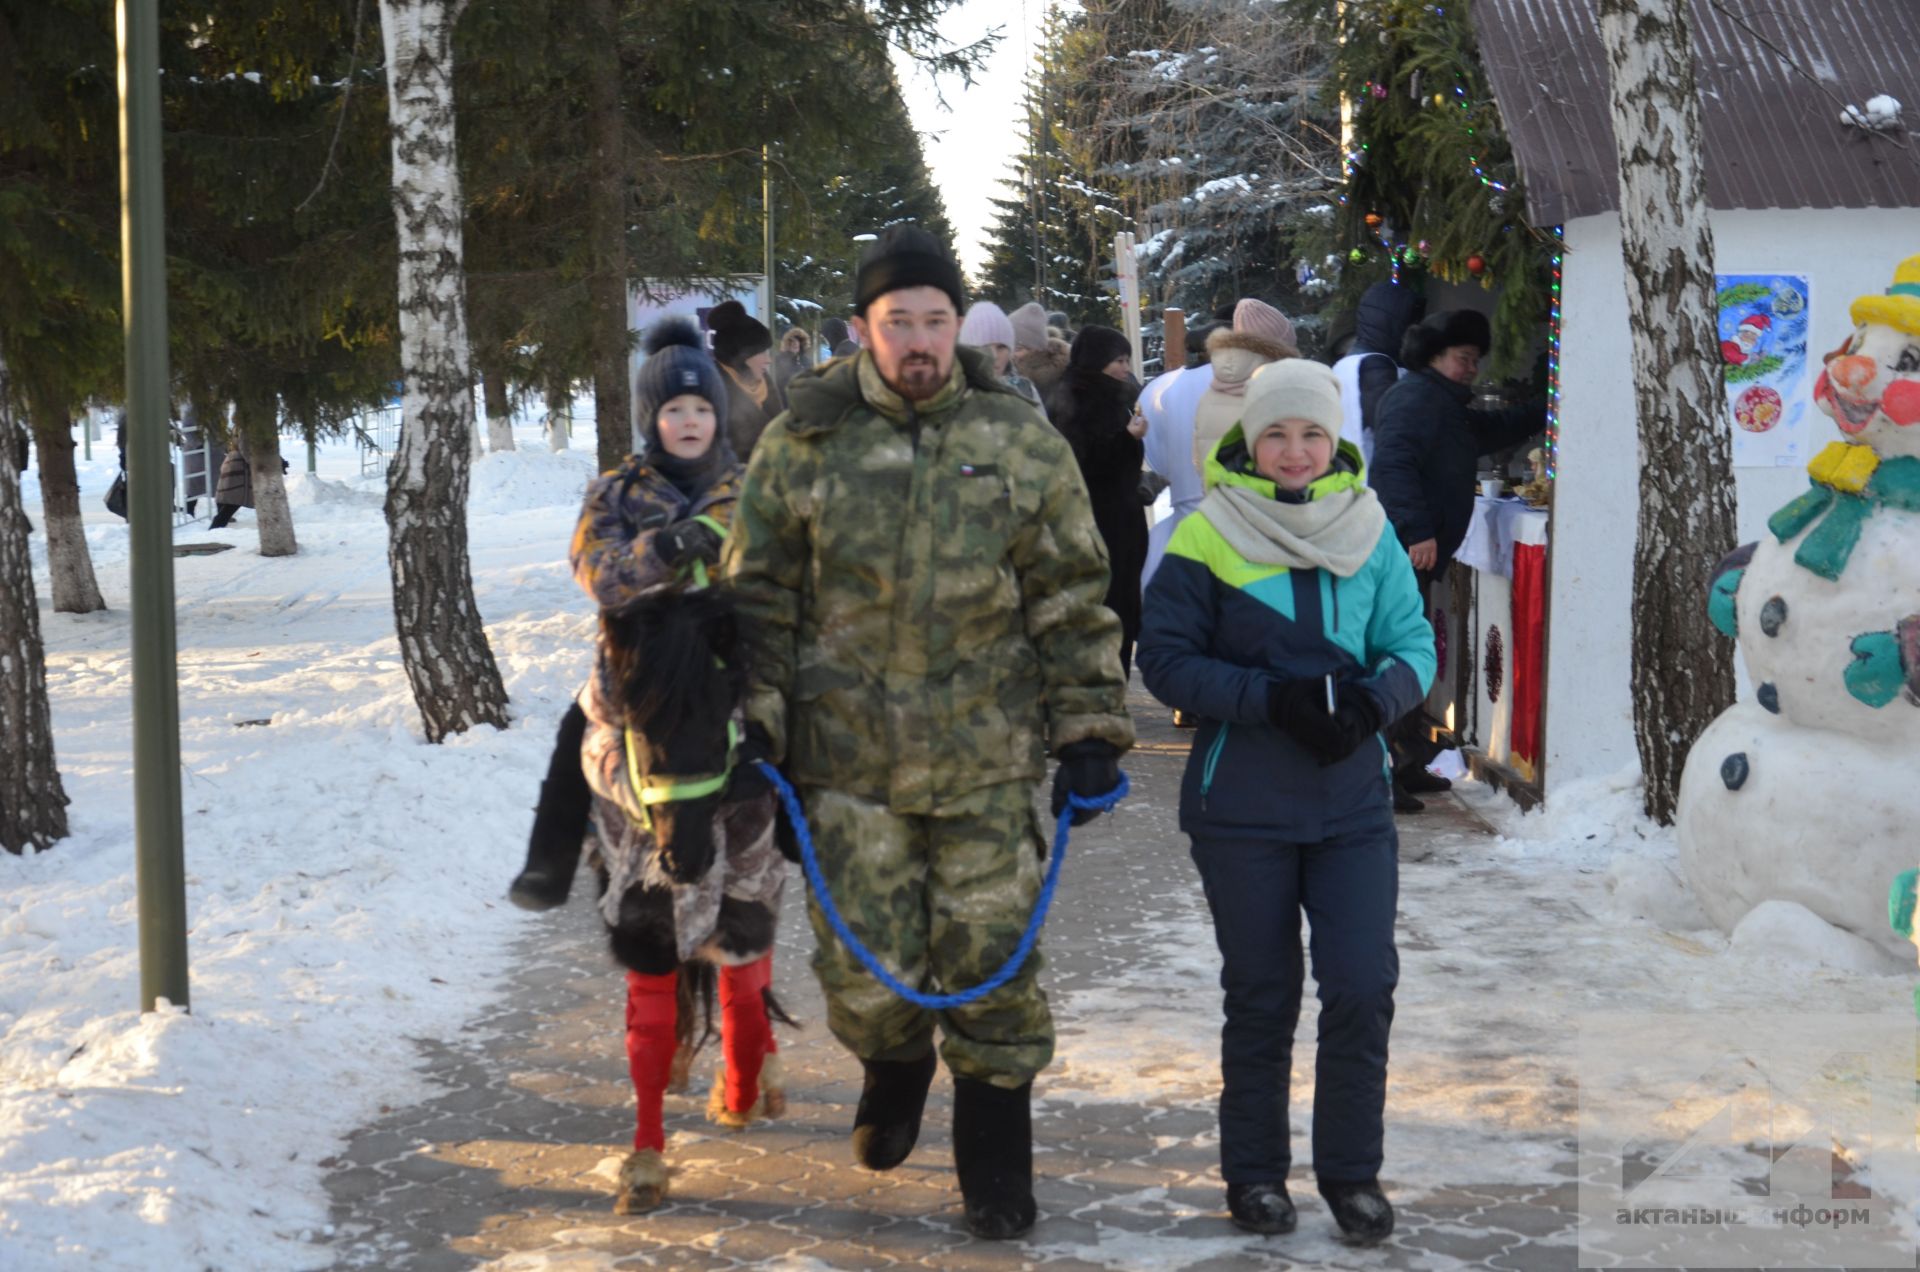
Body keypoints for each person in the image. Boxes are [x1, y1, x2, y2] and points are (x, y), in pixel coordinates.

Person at [723, 224, 1133, 1240]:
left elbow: (1072, 591)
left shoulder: (1018, 438)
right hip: (844, 766)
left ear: (959, 328)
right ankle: (894, 1068)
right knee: (865, 971)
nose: (917, 340)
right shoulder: (802, 442)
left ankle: (995, 1161)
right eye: (896, 321)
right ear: (863, 329)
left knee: (992, 958)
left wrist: (1087, 726)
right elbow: (756, 600)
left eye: (934, 321)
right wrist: (753, 734)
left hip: (987, 761)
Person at [1137, 358, 1435, 1247]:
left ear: (1337, 439)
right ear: (1249, 440)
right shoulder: (1205, 534)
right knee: (1264, 993)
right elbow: (1166, 660)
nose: (1296, 451)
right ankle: (1256, 1175)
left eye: (1313, 434)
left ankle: (1352, 1174)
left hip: (1350, 806)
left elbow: (1413, 641)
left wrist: (1374, 705)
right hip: (1244, 807)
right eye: (1278, 433)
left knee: (1361, 985)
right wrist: (1272, 700)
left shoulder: (1371, 527)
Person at [509, 318, 788, 1215]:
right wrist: (665, 552)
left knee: (791, 766)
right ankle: (549, 863)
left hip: (733, 688)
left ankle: (815, 868)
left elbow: (776, 576)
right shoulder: (617, 493)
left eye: (702, 405)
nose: (691, 420)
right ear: (650, 419)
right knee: (571, 737)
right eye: (673, 408)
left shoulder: (746, 488)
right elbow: (599, 577)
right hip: (635, 691)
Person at [1369, 310, 1544, 810]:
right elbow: (1394, 463)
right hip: (1405, 551)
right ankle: (1382, 772)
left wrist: (1543, 406)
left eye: (1474, 360)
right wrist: (1417, 529)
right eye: (1463, 359)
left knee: (1412, 655)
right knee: (1399, 658)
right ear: (1435, 356)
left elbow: (1486, 431)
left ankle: (1407, 758)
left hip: (1418, 551)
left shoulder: (1442, 402)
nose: (1471, 368)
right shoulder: (1417, 399)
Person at [1046, 325, 1149, 677]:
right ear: (1097, 360)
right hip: (1095, 522)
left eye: (1126, 359)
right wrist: (1126, 439)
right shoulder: (1075, 396)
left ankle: (1114, 682)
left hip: (1121, 519)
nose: (1124, 367)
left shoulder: (1113, 396)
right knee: (1104, 607)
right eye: (1117, 360)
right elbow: (1081, 461)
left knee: (1122, 606)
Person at [1191, 299, 1297, 474]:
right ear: (1281, 350)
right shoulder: (1281, 396)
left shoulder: (1209, 398)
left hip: (1219, 498)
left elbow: (1198, 460)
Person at [1330, 281, 1423, 466]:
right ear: (1400, 324)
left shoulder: (1345, 364)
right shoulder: (1376, 368)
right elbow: (1395, 430)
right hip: (1371, 482)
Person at [707, 299, 779, 458]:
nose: (769, 360)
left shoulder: (764, 382)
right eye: (762, 353)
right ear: (742, 357)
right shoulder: (712, 387)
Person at [959, 300, 1046, 415]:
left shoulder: (1025, 390)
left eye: (1001, 347)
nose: (994, 356)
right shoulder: (946, 395)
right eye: (984, 346)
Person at [1009, 301, 1070, 402]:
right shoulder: (1010, 374)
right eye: (1009, 347)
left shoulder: (1058, 382)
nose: (1012, 354)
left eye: (1018, 349)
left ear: (1036, 349)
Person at [209, 436, 252, 528]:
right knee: (233, 499)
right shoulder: (246, 427)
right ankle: (215, 529)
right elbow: (246, 449)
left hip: (234, 461)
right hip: (239, 466)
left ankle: (217, 528)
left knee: (227, 498)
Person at [771, 327, 813, 398]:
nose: (795, 343)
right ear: (787, 342)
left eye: (798, 340)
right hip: (784, 400)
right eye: (792, 341)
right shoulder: (778, 360)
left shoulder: (807, 361)